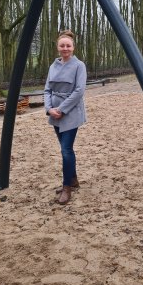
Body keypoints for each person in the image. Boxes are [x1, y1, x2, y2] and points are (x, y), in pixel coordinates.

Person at [43, 30, 87, 205]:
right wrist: (49, 108)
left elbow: (79, 91)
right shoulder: (52, 66)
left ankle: (67, 186)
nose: (65, 48)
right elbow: (47, 89)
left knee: (66, 149)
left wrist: (61, 109)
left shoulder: (79, 66)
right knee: (65, 148)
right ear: (57, 47)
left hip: (71, 112)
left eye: (68, 45)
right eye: (62, 45)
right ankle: (74, 179)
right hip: (55, 112)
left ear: (73, 47)